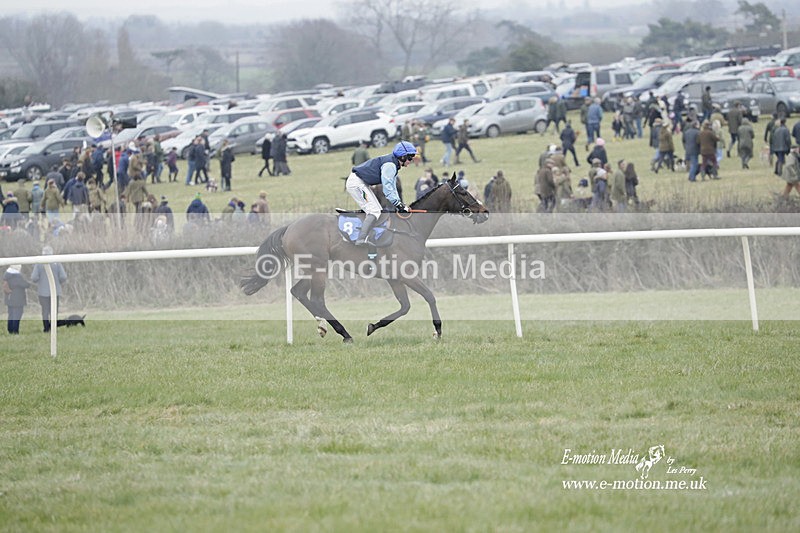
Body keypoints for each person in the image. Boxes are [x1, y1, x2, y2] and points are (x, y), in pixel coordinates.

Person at [346, 141, 416, 246]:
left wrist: (399, 203)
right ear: (402, 157)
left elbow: (392, 187)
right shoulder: (390, 165)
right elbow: (387, 189)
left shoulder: (393, 164)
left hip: (362, 183)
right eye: (410, 158)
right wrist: (398, 204)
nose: (410, 161)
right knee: (374, 211)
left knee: (378, 210)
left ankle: (368, 234)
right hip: (356, 184)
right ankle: (361, 239)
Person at [30, 246, 67, 333]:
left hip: (43, 292)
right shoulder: (57, 263)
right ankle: (54, 328)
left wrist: (41, 281)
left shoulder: (39, 263)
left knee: (45, 311)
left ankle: (46, 328)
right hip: (55, 291)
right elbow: (63, 277)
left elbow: (34, 277)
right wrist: (58, 282)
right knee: (54, 310)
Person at [4, 264, 30, 335]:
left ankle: (10, 330)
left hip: (9, 299)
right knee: (17, 315)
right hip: (18, 300)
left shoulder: (7, 275)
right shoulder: (16, 276)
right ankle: (15, 331)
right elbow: (26, 284)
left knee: (11, 315)